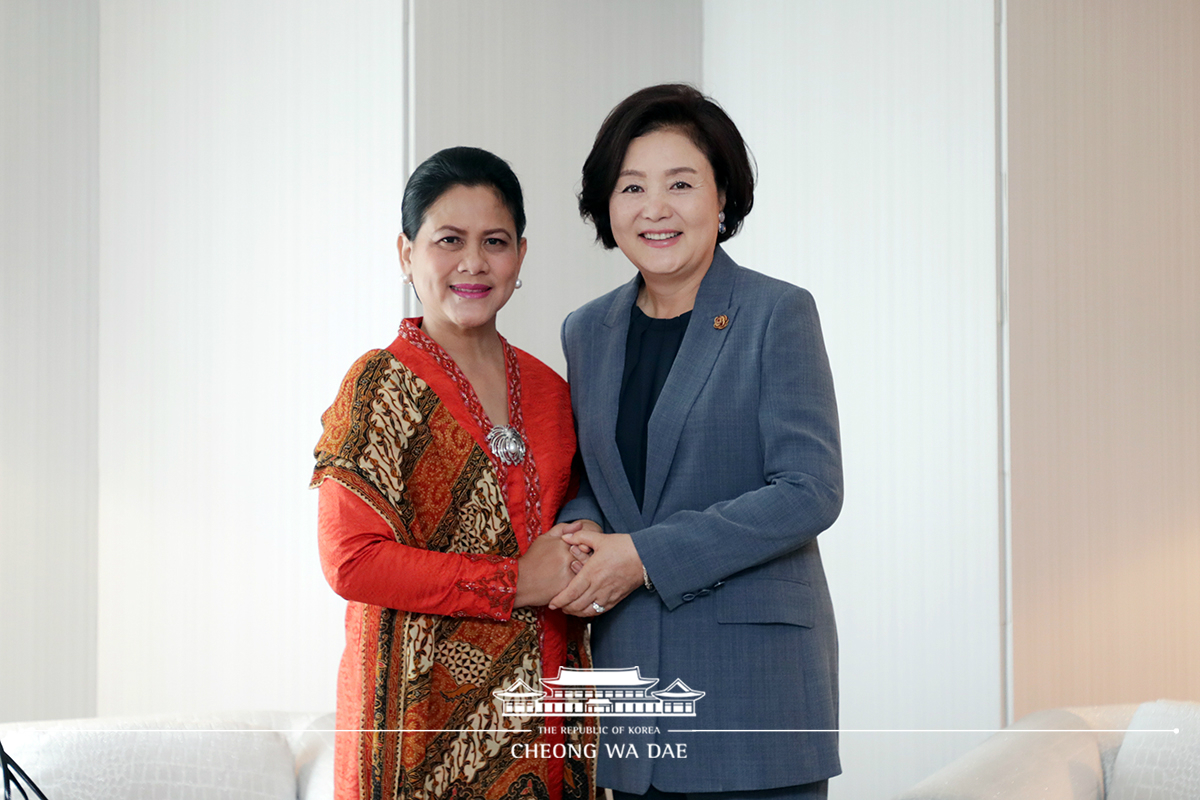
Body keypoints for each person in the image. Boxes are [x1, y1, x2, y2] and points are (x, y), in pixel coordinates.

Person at [551, 85, 844, 799]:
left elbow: (809, 491)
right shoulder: (586, 331)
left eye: (680, 184)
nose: (656, 208)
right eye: (632, 187)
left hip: (754, 693)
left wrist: (645, 556)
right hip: (636, 690)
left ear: (722, 200)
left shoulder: (777, 313)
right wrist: (581, 523)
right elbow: (602, 472)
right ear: (606, 206)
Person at [312, 146, 594, 800]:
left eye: (494, 241)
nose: (473, 263)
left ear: (521, 256)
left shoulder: (553, 392)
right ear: (407, 254)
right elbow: (350, 561)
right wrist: (515, 581)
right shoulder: (377, 387)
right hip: (417, 731)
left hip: (541, 719)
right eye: (449, 240)